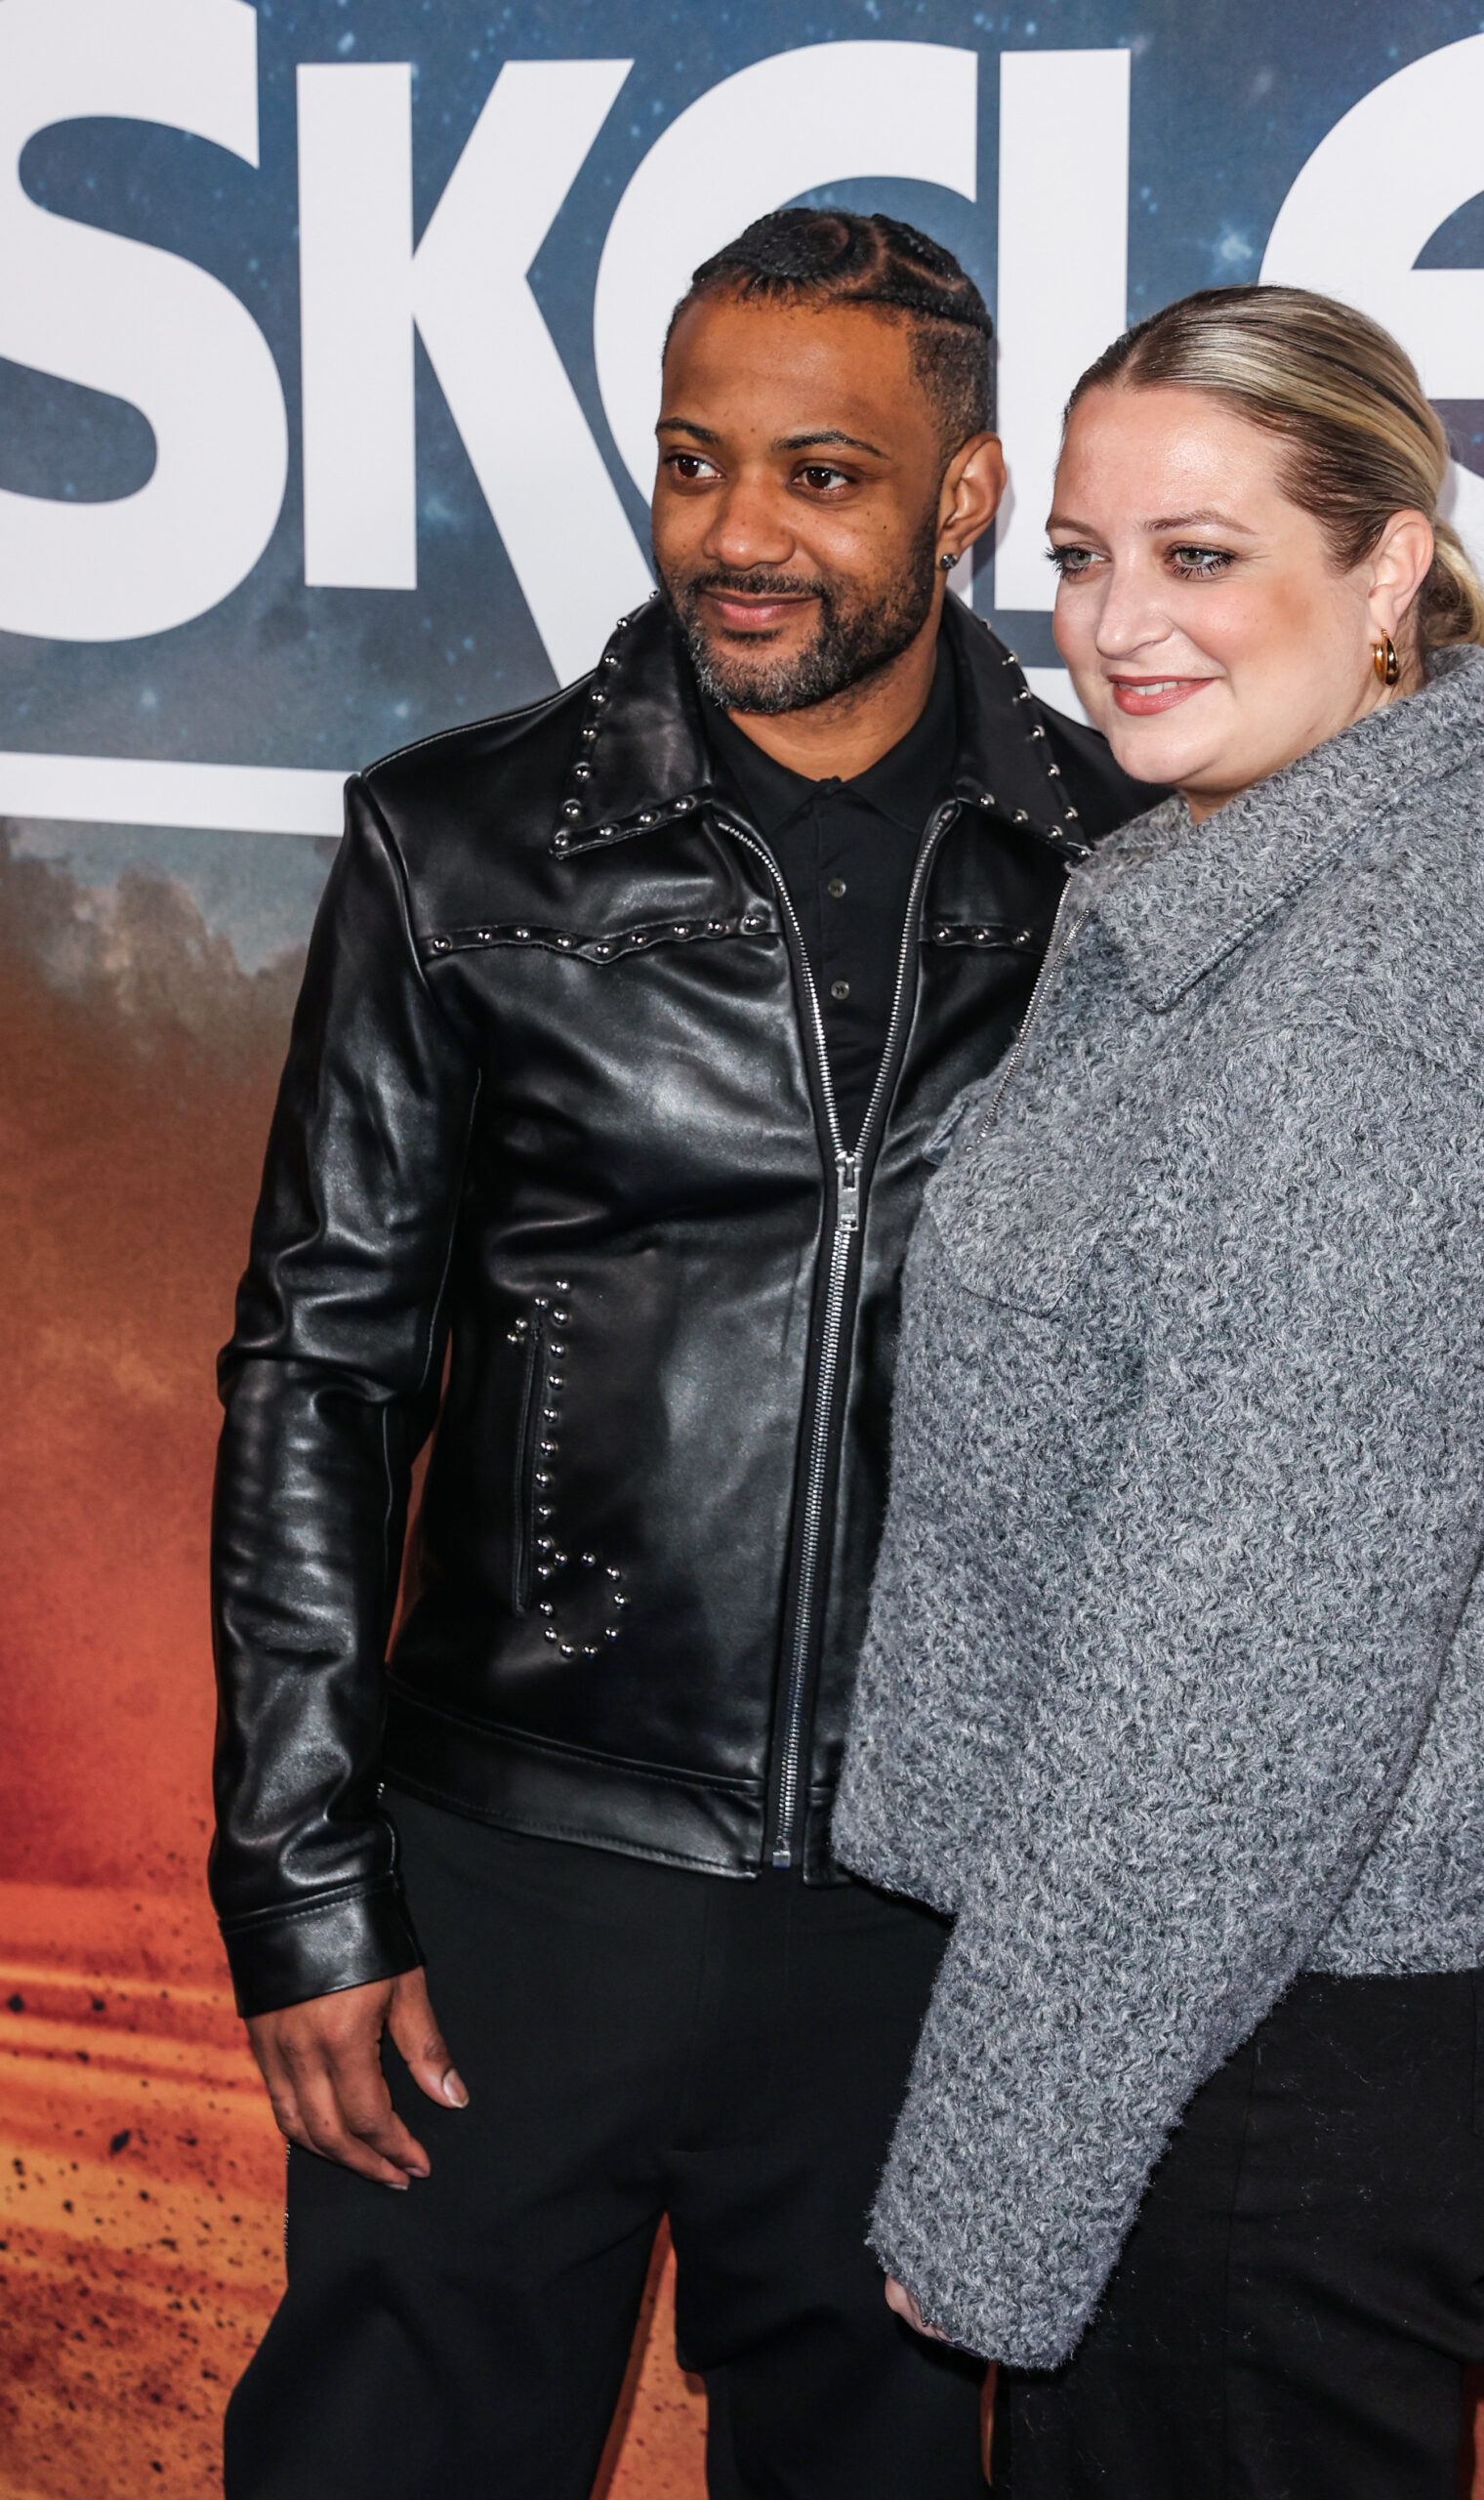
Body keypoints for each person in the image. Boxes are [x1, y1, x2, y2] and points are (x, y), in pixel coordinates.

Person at [208, 208, 1152, 2500]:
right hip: (517, 1866)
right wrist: (302, 1879)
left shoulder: (1130, 882)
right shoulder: (452, 841)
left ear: (960, 498)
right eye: (692, 462)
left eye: (822, 475)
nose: (739, 533)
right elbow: (319, 1370)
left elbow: (1301, 1373)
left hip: (927, 1904)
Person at [833, 283, 1484, 2498]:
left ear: (1388, 564)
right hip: (1312, 1989)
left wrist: (995, 2187)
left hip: (1274, 2049)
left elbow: (1227, 1682)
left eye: (1197, 554)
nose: (1116, 623)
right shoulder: (1320, 854)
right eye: (1080, 552)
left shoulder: (1350, 1017)